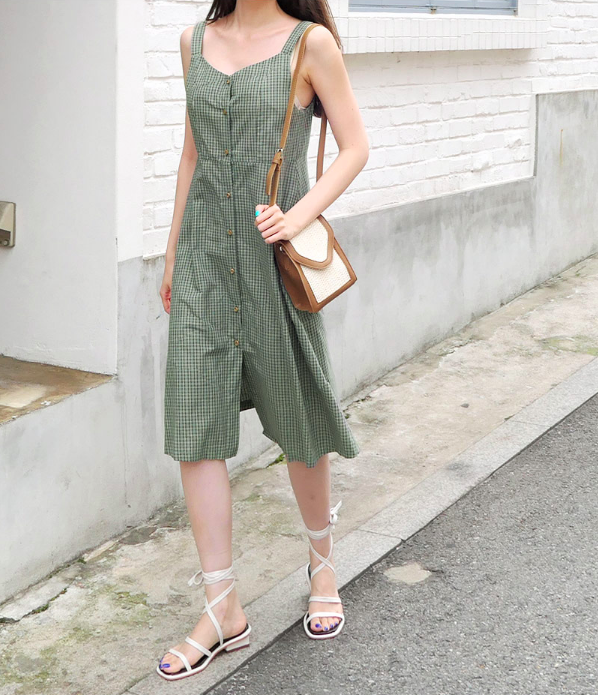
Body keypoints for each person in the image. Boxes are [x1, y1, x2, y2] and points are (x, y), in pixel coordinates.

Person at [156, 0, 369, 680]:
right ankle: (222, 605)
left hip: (272, 263)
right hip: (202, 263)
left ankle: (322, 563)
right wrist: (171, 255)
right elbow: (191, 155)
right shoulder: (193, 41)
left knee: (298, 413)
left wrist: (297, 216)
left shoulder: (309, 44)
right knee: (196, 423)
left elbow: (355, 147)